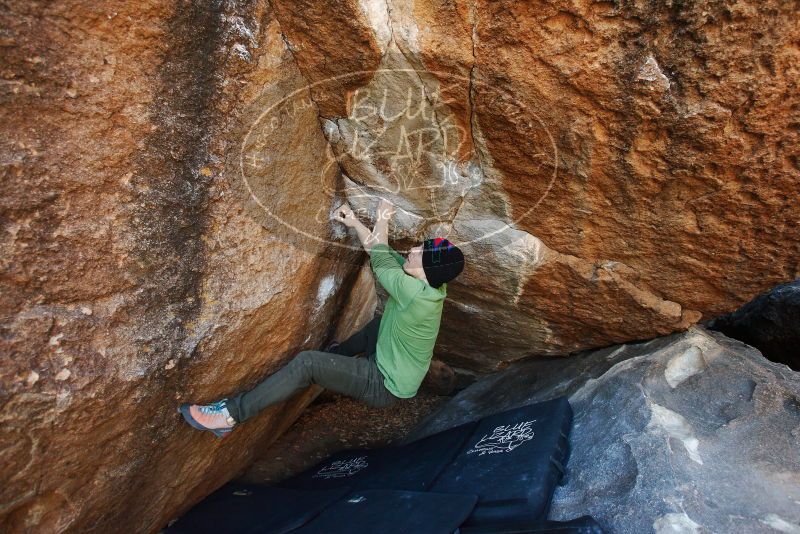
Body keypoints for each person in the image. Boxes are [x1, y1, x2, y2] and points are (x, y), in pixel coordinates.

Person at [179, 198, 465, 437]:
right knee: (380, 324)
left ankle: (229, 416)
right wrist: (353, 223)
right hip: (394, 361)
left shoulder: (415, 292)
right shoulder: (432, 283)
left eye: (420, 252)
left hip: (384, 383)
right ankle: (337, 355)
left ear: (426, 269)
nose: (413, 250)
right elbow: (381, 251)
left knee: (307, 364)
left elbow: (379, 260)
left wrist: (383, 218)